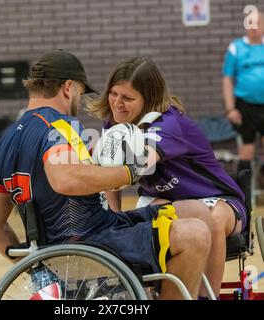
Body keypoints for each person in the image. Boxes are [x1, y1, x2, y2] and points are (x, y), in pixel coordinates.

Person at [0, 49, 210, 300]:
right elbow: (64, 179)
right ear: (68, 88)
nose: (79, 99)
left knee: (195, 211)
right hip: (91, 245)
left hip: (74, 246)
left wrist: (35, 263)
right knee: (194, 235)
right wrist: (128, 173)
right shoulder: (58, 125)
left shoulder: (4, 143)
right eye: (80, 91)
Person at [88, 56, 248, 297]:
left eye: (127, 98)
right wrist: (114, 218)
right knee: (154, 217)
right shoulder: (113, 123)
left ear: (148, 99)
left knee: (210, 219)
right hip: (164, 199)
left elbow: (139, 163)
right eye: (113, 94)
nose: (117, 104)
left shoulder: (169, 122)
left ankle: (207, 296)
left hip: (219, 199)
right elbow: (113, 180)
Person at [222, 10, 264, 175]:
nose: (254, 27)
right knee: (246, 151)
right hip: (245, 107)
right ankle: (244, 196)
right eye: (250, 23)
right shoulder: (236, 48)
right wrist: (230, 108)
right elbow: (227, 79)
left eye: (258, 23)